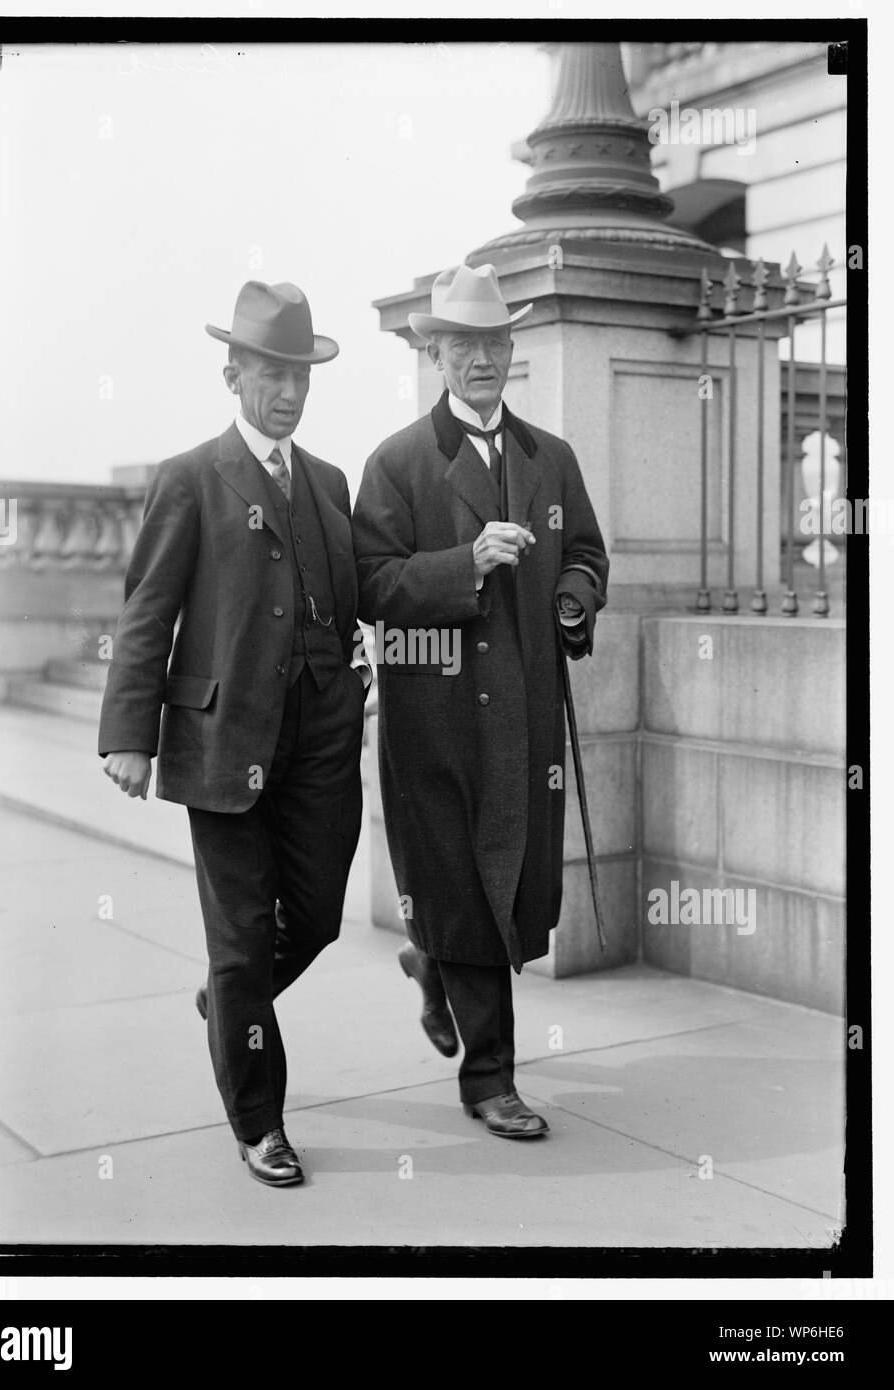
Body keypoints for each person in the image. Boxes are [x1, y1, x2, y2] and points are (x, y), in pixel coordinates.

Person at [99, 280, 368, 1186]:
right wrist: (127, 734)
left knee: (319, 918)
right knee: (246, 935)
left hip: (323, 741)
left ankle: (226, 1001)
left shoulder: (327, 482)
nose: (288, 391)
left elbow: (354, 599)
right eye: (270, 373)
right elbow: (146, 613)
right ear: (233, 375)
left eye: (299, 374)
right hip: (222, 744)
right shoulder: (190, 478)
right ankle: (260, 1122)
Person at [352, 263, 608, 1139]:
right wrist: (465, 565)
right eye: (463, 345)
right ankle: (488, 1080)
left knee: (510, 888)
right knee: (465, 882)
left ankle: (432, 963)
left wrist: (570, 596)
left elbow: (586, 554)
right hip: (438, 719)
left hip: (527, 710)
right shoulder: (396, 462)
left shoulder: (552, 457)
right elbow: (370, 585)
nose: (482, 359)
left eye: (496, 343)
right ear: (435, 354)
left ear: (512, 351)